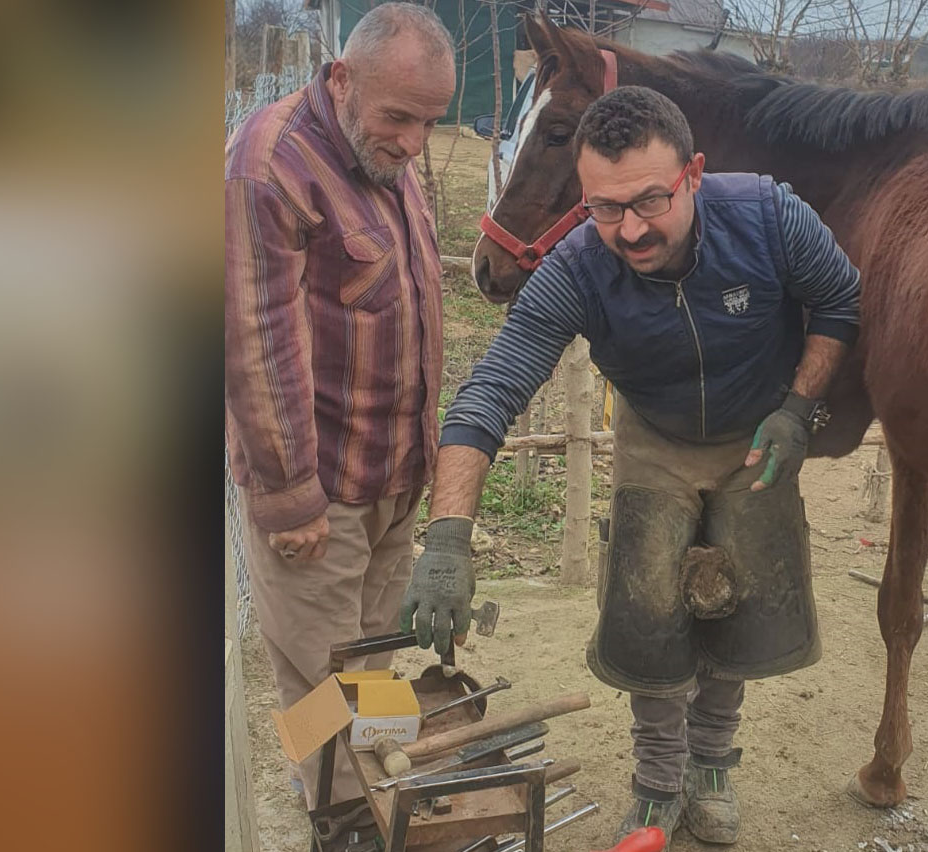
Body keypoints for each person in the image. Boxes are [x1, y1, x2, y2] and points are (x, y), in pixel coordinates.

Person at [400, 86, 861, 848]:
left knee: (738, 600)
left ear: (693, 173)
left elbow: (840, 300)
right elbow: (489, 393)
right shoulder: (579, 266)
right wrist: (446, 537)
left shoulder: (771, 216)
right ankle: (655, 780)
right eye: (606, 208)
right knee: (648, 613)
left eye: (651, 199)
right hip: (655, 438)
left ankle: (711, 763)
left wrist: (797, 410)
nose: (632, 228)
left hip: (759, 436)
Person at [224, 2, 455, 808]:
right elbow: (252, 343)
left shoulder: (384, 154)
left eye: (431, 123)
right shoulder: (271, 162)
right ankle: (339, 816)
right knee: (317, 674)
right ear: (341, 79)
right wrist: (289, 502)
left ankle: (380, 789)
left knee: (370, 660)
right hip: (316, 496)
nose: (414, 143)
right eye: (400, 118)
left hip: (391, 475)